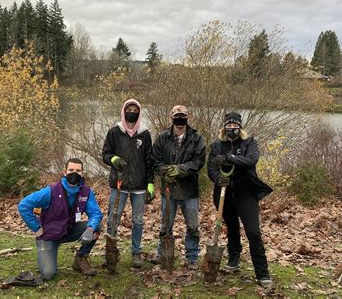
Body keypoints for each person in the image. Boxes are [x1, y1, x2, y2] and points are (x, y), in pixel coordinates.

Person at [207, 112, 273, 288]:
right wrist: (217, 178)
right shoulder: (216, 146)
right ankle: (234, 259)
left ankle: (262, 273)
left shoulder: (249, 143)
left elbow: (251, 161)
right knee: (232, 229)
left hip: (246, 194)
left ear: (240, 127)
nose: (232, 128)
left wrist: (230, 158)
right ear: (224, 127)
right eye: (228, 125)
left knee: (253, 232)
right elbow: (210, 168)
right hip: (224, 194)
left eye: (235, 126)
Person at [18, 158, 103, 279]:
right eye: (71, 170)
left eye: (78, 170)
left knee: (97, 226)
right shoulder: (51, 191)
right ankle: (49, 252)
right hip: (49, 235)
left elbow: (96, 214)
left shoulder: (86, 192)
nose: (74, 173)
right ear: (64, 172)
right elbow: (24, 205)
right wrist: (36, 228)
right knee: (48, 274)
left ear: (82, 173)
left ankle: (81, 258)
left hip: (69, 231)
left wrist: (90, 229)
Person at [151, 105, 205, 269]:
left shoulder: (197, 138)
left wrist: (180, 170)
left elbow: (198, 162)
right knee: (166, 224)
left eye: (182, 116)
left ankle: (192, 256)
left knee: (193, 225)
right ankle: (163, 252)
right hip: (169, 189)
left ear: (188, 117)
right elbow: (155, 160)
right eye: (177, 116)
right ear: (171, 117)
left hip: (189, 190)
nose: (179, 119)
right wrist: (164, 172)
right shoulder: (162, 138)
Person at [102, 98, 154, 268]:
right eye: (129, 109)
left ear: (139, 112)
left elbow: (149, 161)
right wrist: (114, 159)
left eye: (135, 109)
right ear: (123, 111)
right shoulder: (115, 132)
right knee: (113, 219)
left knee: (138, 221)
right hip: (119, 184)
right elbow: (106, 154)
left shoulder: (145, 133)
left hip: (139, 186)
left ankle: (136, 252)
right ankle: (111, 252)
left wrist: (150, 184)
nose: (132, 112)